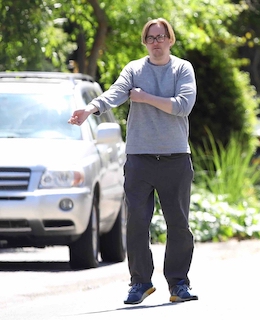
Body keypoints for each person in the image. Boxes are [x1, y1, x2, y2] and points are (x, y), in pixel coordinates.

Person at [68, 18, 198, 304]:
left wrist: (145, 97)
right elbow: (116, 92)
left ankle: (178, 284)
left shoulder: (182, 69)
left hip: (175, 157)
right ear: (145, 42)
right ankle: (140, 282)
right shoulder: (134, 69)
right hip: (139, 157)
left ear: (170, 39)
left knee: (178, 224)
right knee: (137, 223)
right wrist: (91, 108)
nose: (156, 42)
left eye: (161, 36)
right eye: (151, 37)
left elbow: (182, 105)